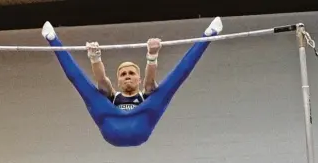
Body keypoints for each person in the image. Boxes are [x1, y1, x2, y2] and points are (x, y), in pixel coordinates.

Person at [41, 18, 223, 147]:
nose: (127, 76)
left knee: (174, 80)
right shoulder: (113, 96)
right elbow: (103, 82)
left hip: (140, 123)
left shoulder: (146, 93)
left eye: (131, 73)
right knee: (83, 84)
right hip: (112, 124)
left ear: (139, 78)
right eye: (123, 74)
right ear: (118, 81)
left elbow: (150, 83)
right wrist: (95, 58)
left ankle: (209, 34)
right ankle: (52, 39)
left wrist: (152, 55)